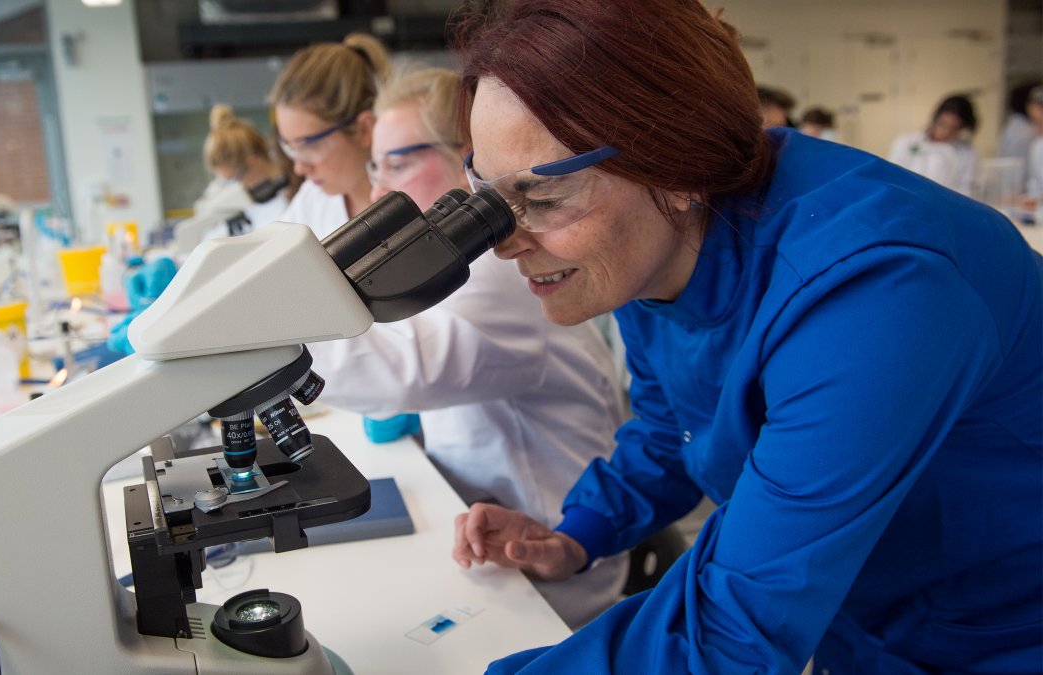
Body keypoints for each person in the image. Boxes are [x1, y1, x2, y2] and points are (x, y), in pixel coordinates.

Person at [448, 0, 1042, 672]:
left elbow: (729, 635)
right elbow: (674, 427)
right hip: (857, 610)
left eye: (544, 197)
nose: (507, 244)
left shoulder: (877, 292)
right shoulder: (652, 247)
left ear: (675, 166)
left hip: (1001, 633)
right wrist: (577, 534)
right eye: (492, 198)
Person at [299, 64, 629, 628]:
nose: (379, 190)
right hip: (495, 531)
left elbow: (402, 370)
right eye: (376, 166)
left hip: (555, 563)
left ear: (474, 155)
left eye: (400, 163)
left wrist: (252, 338)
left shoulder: (505, 268)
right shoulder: (465, 267)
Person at [270, 33, 389, 229]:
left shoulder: (417, 196)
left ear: (364, 129)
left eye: (310, 145)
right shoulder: (311, 202)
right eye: (290, 147)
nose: (299, 168)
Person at [198, 104, 291, 234]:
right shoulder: (255, 200)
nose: (238, 186)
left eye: (236, 178)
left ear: (253, 160)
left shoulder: (295, 187)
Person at [888, 94, 979, 196]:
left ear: (962, 128)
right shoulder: (906, 142)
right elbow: (894, 177)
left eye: (954, 128)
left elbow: (966, 188)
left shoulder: (966, 152)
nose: (946, 132)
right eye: (943, 124)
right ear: (936, 118)